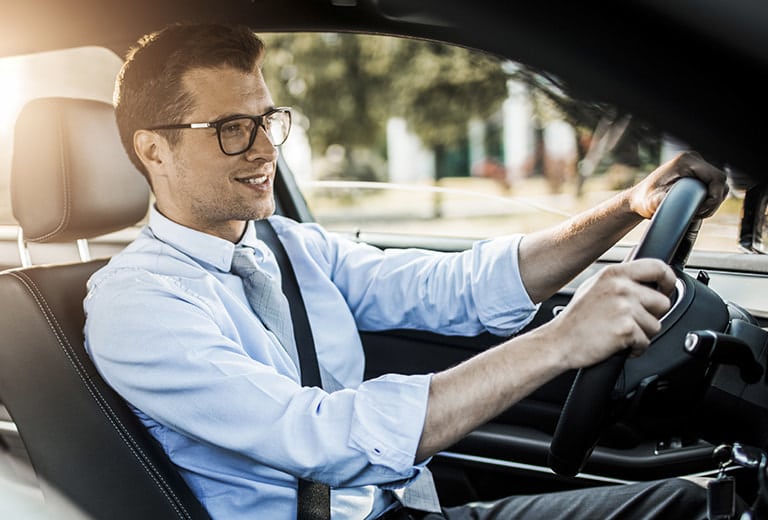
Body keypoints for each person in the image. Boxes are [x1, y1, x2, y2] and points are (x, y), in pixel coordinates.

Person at [84, 22, 738, 520]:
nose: (264, 149)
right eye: (231, 128)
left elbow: (461, 287)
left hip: (403, 509)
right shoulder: (137, 307)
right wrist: (561, 341)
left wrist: (627, 207)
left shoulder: (288, 245)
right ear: (154, 150)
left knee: (698, 504)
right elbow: (323, 438)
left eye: (266, 121)